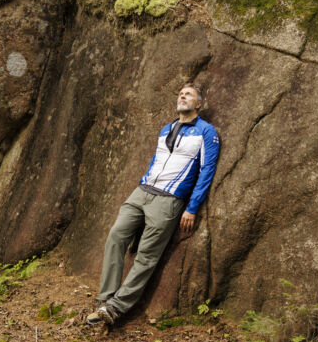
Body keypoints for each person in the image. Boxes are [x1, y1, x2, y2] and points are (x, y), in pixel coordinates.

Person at [87, 83, 220, 326]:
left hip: (168, 200)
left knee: (147, 256)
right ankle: (104, 299)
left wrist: (191, 207)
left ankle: (116, 308)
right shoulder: (165, 129)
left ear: (199, 104)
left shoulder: (207, 132)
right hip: (141, 192)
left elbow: (206, 171)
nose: (182, 95)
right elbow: (156, 162)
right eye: (180, 93)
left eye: (188, 94)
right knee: (116, 236)